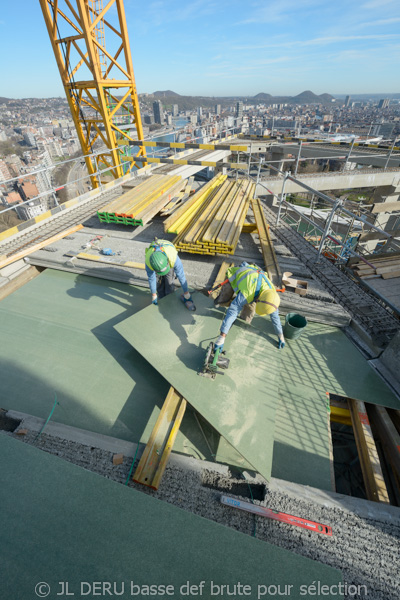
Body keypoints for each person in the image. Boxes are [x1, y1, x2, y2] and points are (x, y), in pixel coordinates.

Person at [213, 261, 285, 350]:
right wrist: (222, 337)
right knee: (225, 299)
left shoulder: (271, 296)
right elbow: (233, 311)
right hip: (236, 276)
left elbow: (275, 317)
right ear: (258, 300)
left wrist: (281, 336)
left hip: (253, 286)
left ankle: (238, 322)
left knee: (248, 314)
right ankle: (221, 302)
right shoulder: (248, 293)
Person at [145, 238, 196, 310]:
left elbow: (181, 276)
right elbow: (151, 278)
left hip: (167, 254)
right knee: (158, 283)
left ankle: (169, 298)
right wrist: (153, 294)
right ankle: (161, 297)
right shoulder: (149, 262)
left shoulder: (173, 258)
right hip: (156, 262)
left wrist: (186, 292)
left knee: (169, 282)